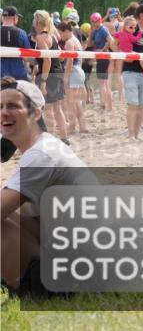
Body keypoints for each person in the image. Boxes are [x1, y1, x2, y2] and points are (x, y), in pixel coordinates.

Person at [1, 78, 97, 297]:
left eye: (13, 106)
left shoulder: (40, 155)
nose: (4, 112)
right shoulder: (44, 145)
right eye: (0, 107)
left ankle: (30, 289)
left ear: (36, 114)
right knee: (11, 205)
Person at [30, 10, 68, 141]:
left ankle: (50, 139)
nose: (33, 23)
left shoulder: (41, 37)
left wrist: (43, 81)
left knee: (48, 110)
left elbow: (47, 60)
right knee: (57, 109)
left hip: (49, 75)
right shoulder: (52, 36)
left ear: (38, 22)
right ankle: (64, 138)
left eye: (34, 20)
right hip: (57, 73)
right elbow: (59, 57)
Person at [55, 21, 88, 135]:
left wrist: (66, 77)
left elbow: (69, 61)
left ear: (66, 31)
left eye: (60, 33)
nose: (60, 36)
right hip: (79, 70)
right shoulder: (76, 40)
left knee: (71, 102)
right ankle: (82, 126)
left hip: (73, 71)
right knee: (76, 102)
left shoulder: (69, 42)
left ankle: (73, 126)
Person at [1, 7, 30, 81]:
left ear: (3, 17)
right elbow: (27, 58)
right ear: (14, 17)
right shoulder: (22, 33)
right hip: (18, 75)